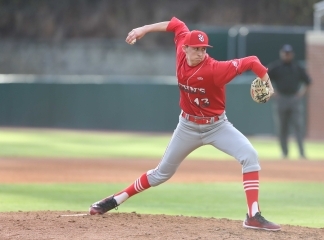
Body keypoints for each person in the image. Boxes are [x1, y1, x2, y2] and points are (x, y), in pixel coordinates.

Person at [89, 17, 281, 231]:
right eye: (196, 49)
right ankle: (115, 200)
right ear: (186, 48)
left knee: (250, 156)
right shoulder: (181, 50)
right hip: (187, 127)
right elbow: (176, 25)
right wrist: (144, 29)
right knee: (161, 174)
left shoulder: (215, 69)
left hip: (217, 127)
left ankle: (253, 215)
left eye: (204, 49)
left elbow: (252, 61)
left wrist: (267, 82)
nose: (200, 53)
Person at [267, 44, 311, 160]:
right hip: (281, 99)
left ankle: (301, 153)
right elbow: (264, 78)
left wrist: (301, 94)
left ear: (292, 54)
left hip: (294, 99)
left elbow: (308, 81)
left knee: (298, 127)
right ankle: (284, 153)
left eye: (289, 53)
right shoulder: (276, 67)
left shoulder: (297, 67)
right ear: (282, 54)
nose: (287, 55)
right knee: (282, 128)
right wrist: (272, 92)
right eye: (285, 53)